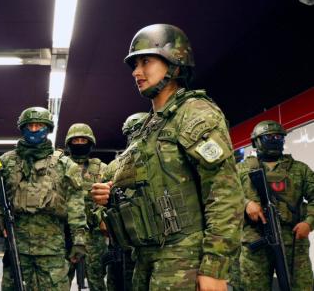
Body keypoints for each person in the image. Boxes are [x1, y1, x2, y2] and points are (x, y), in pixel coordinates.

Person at [91, 24, 244, 290]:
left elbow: (225, 193)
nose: (137, 72)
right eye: (134, 65)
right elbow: (152, 182)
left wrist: (214, 268)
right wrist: (113, 192)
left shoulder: (195, 113)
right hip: (147, 257)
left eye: (146, 61)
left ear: (175, 63)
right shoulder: (149, 126)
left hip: (184, 257)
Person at [0, 106, 88, 290]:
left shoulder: (64, 165)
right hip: (17, 247)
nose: (33, 130)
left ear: (48, 129)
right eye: (29, 126)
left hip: (52, 250)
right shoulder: (4, 163)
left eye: (39, 125)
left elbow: (75, 205)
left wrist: (79, 240)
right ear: (22, 128)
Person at [237, 120, 313, 290]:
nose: (275, 139)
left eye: (279, 136)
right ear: (256, 141)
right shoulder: (241, 170)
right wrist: (246, 203)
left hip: (293, 244)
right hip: (254, 245)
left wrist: (309, 222)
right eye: (269, 137)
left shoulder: (300, 169)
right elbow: (222, 197)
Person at [102, 112, 147, 291]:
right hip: (124, 243)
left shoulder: (166, 158)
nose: (136, 136)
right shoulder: (115, 167)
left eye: (140, 130)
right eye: (131, 133)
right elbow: (99, 201)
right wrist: (100, 218)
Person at [64, 123, 108, 290]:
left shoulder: (101, 169)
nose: (80, 143)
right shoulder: (60, 167)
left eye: (84, 140)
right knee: (61, 280)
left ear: (90, 142)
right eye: (76, 140)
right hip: (67, 233)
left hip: (94, 235)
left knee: (96, 280)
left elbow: (110, 199)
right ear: (69, 143)